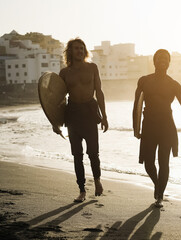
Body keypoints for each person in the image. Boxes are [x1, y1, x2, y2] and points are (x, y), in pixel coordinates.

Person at [133, 49, 181, 208]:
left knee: (164, 162)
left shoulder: (173, 84)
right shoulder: (144, 81)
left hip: (166, 127)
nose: (163, 60)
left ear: (169, 62)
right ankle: (158, 185)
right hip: (148, 125)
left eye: (166, 58)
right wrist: (135, 127)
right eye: (159, 57)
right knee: (148, 163)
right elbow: (136, 105)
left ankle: (160, 196)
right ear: (154, 61)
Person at [53, 38, 109, 202]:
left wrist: (104, 116)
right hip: (73, 114)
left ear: (85, 50)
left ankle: (97, 180)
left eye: (81, 48)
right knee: (77, 154)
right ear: (69, 51)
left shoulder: (92, 67)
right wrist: (55, 123)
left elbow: (99, 92)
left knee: (93, 152)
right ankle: (82, 190)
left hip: (90, 112)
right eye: (75, 48)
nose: (79, 51)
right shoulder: (64, 73)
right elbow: (57, 99)